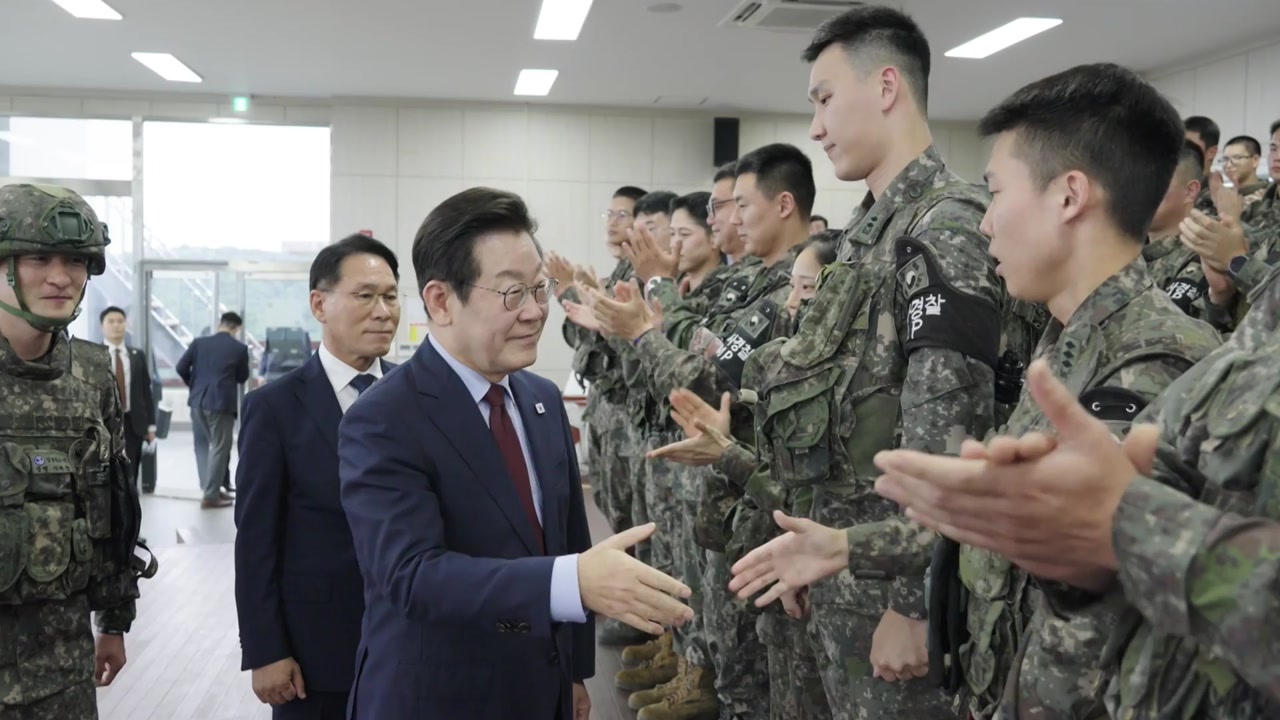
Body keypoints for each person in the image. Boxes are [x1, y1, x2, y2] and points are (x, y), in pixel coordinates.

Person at [338, 187, 694, 720]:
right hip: (440, 697)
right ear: (441, 301)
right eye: (511, 294)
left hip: (542, 688)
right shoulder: (384, 417)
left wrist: (574, 672)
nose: (535, 312)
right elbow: (412, 575)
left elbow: (568, 539)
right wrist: (571, 582)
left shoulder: (540, 400)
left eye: (539, 288)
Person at [0, 183, 154, 718]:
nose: (60, 277)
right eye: (38, 258)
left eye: (75, 261)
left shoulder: (92, 375)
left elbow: (113, 508)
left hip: (61, 671)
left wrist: (114, 621)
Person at [234, 234, 402, 720]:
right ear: (319, 304)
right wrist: (265, 649)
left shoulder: (417, 395)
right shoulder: (275, 407)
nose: (383, 311)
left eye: (391, 296)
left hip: (411, 647)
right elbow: (256, 540)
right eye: (365, 295)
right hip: (315, 655)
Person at [177, 310, 249, 508]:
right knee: (220, 447)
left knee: (212, 446)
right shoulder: (239, 348)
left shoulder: (199, 343)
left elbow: (181, 367)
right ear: (237, 328)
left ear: (219, 324)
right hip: (220, 403)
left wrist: (195, 385)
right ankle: (210, 495)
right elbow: (242, 377)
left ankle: (215, 488)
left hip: (197, 401)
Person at [100, 305, 158, 494]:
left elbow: (146, 392)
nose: (116, 325)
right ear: (102, 326)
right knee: (105, 471)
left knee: (131, 471)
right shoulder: (94, 355)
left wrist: (151, 426)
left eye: (120, 321)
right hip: (103, 423)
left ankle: (129, 506)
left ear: (126, 324)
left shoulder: (136, 355)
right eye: (111, 321)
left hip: (133, 423)